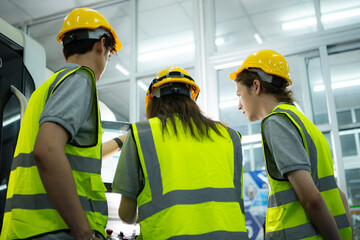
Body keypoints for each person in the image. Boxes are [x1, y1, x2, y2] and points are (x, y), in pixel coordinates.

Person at [1, 8, 125, 240]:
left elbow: (68, 155)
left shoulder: (45, 90)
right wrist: (84, 231)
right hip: (55, 230)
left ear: (64, 49)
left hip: (27, 229)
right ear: (101, 45)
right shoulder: (80, 79)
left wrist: (120, 141)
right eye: (110, 54)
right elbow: (47, 151)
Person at [112, 66, 249, 239]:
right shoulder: (229, 136)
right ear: (192, 99)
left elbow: (126, 214)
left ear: (152, 101)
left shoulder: (142, 134)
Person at [229, 49, 353, 240]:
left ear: (256, 86)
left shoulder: (275, 122)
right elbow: (339, 195)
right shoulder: (302, 122)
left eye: (239, 94)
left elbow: (311, 198)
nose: (239, 105)